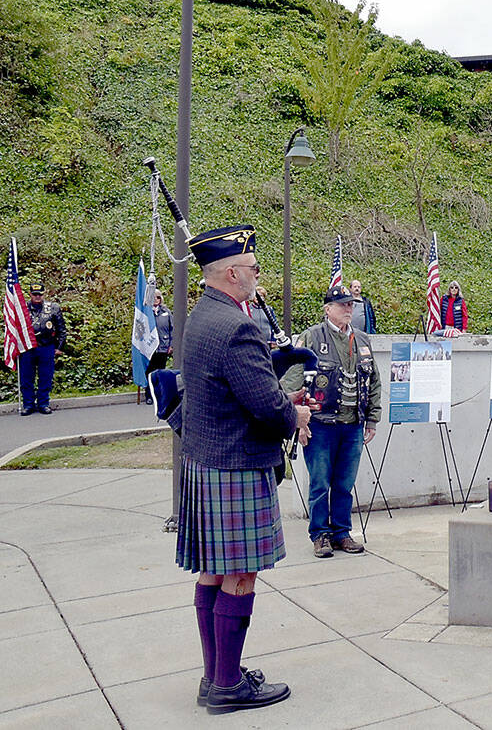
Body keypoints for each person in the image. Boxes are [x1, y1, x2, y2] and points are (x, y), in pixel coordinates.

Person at [176, 224, 310, 714]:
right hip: (235, 464)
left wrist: (280, 398)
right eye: (253, 268)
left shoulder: (202, 316)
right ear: (232, 272)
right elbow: (266, 407)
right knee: (240, 575)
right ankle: (228, 687)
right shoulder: (238, 325)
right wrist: (293, 411)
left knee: (213, 572)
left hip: (208, 458)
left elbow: (239, 389)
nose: (258, 274)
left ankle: (216, 678)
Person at [283, 285, 382, 558]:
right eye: (342, 305)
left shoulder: (362, 340)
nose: (348, 310)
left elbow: (373, 380)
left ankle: (341, 532)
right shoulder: (312, 337)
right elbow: (293, 378)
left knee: (344, 483)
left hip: (352, 425)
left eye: (351, 305)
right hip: (320, 424)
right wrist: (297, 420)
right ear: (328, 309)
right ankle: (320, 534)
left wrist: (372, 417)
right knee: (319, 482)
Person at [18, 282, 66, 415]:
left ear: (44, 294)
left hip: (46, 347)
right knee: (26, 378)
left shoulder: (53, 308)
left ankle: (43, 403)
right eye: (35, 294)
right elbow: (15, 328)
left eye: (40, 294)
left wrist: (60, 347)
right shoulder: (22, 308)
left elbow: (61, 329)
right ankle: (28, 405)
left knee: (45, 377)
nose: (37, 297)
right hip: (27, 348)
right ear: (30, 294)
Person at [144, 289, 174, 405]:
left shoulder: (166, 312)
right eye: (154, 297)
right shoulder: (146, 313)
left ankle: (159, 394)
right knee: (150, 372)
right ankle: (149, 395)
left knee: (160, 372)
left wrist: (171, 345)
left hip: (163, 347)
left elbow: (173, 329)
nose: (156, 300)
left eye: (158, 297)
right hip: (150, 348)